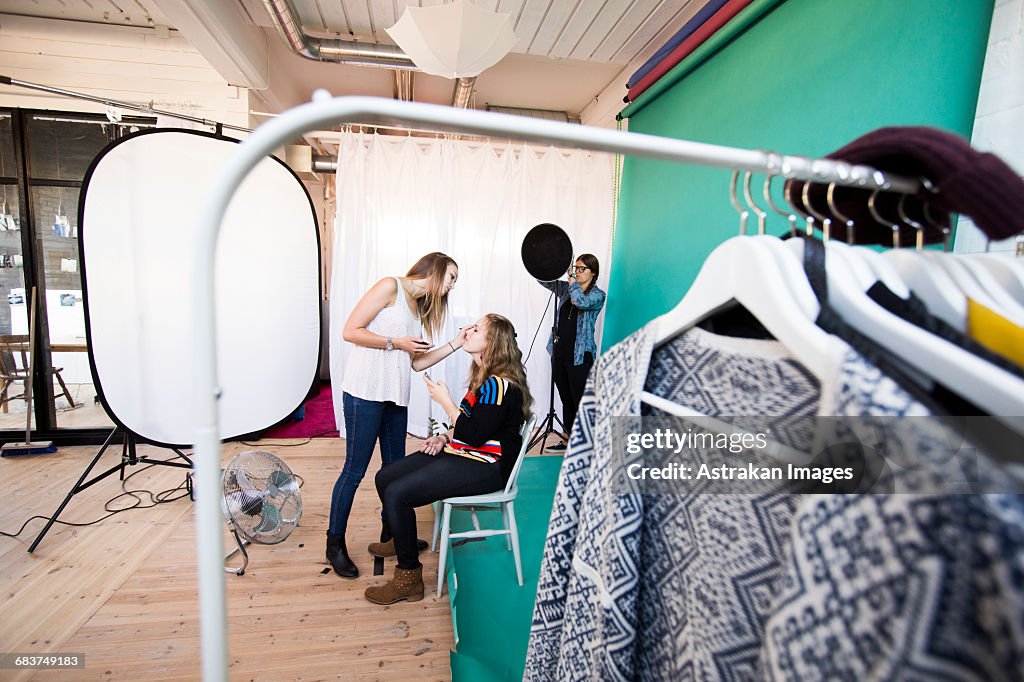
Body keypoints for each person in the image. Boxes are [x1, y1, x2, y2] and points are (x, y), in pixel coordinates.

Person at [363, 313, 533, 604]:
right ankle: (402, 539)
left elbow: (474, 435)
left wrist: (445, 402)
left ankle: (408, 579)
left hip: (488, 466)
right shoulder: (485, 379)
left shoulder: (500, 386)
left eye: (477, 329)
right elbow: (466, 425)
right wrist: (443, 436)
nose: (468, 331)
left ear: (492, 343)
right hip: (465, 453)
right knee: (385, 477)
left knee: (397, 494)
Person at [327, 252, 468, 579]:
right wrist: (395, 341)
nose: (451, 287)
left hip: (395, 398)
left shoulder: (418, 308)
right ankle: (334, 544)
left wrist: (456, 343)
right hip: (365, 394)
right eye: (451, 278)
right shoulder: (390, 286)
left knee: (393, 471)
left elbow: (416, 362)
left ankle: (391, 534)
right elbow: (351, 330)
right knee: (354, 471)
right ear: (435, 269)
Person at [538, 253, 605, 451]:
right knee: (566, 399)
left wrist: (572, 282)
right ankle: (568, 440)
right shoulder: (566, 290)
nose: (576, 272)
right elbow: (544, 280)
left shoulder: (597, 295)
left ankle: (586, 443)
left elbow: (580, 302)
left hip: (580, 357)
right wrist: (550, 264)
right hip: (558, 353)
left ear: (593, 273)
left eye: (581, 269)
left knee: (580, 400)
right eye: (575, 268)